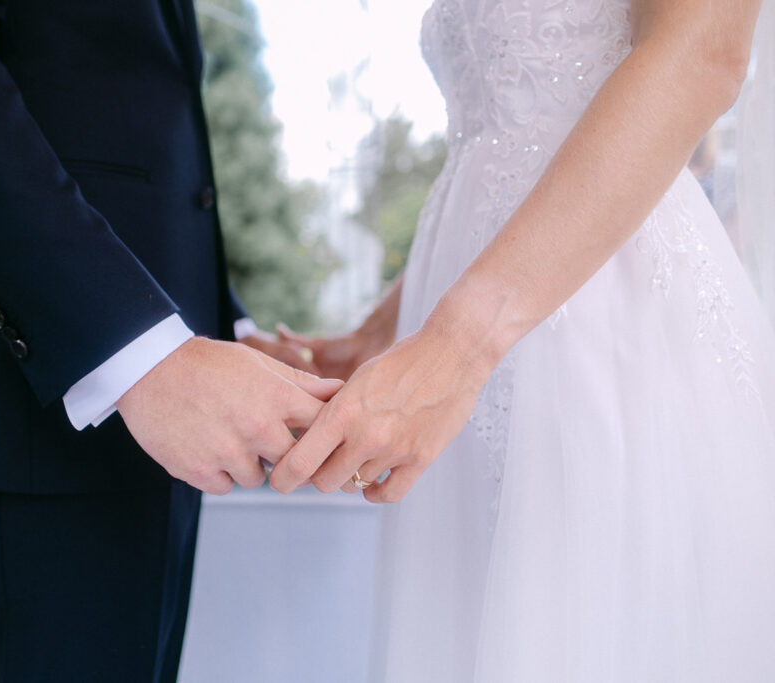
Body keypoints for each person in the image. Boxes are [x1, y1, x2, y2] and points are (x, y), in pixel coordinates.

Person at [270, 0, 775, 679]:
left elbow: (703, 59)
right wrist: (385, 331)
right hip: (476, 353)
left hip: (604, 334)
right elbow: (494, 154)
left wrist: (454, 345)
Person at [0, 0, 338, 681]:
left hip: (166, 392)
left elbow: (128, 103)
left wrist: (222, 328)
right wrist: (138, 353)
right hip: (46, 401)